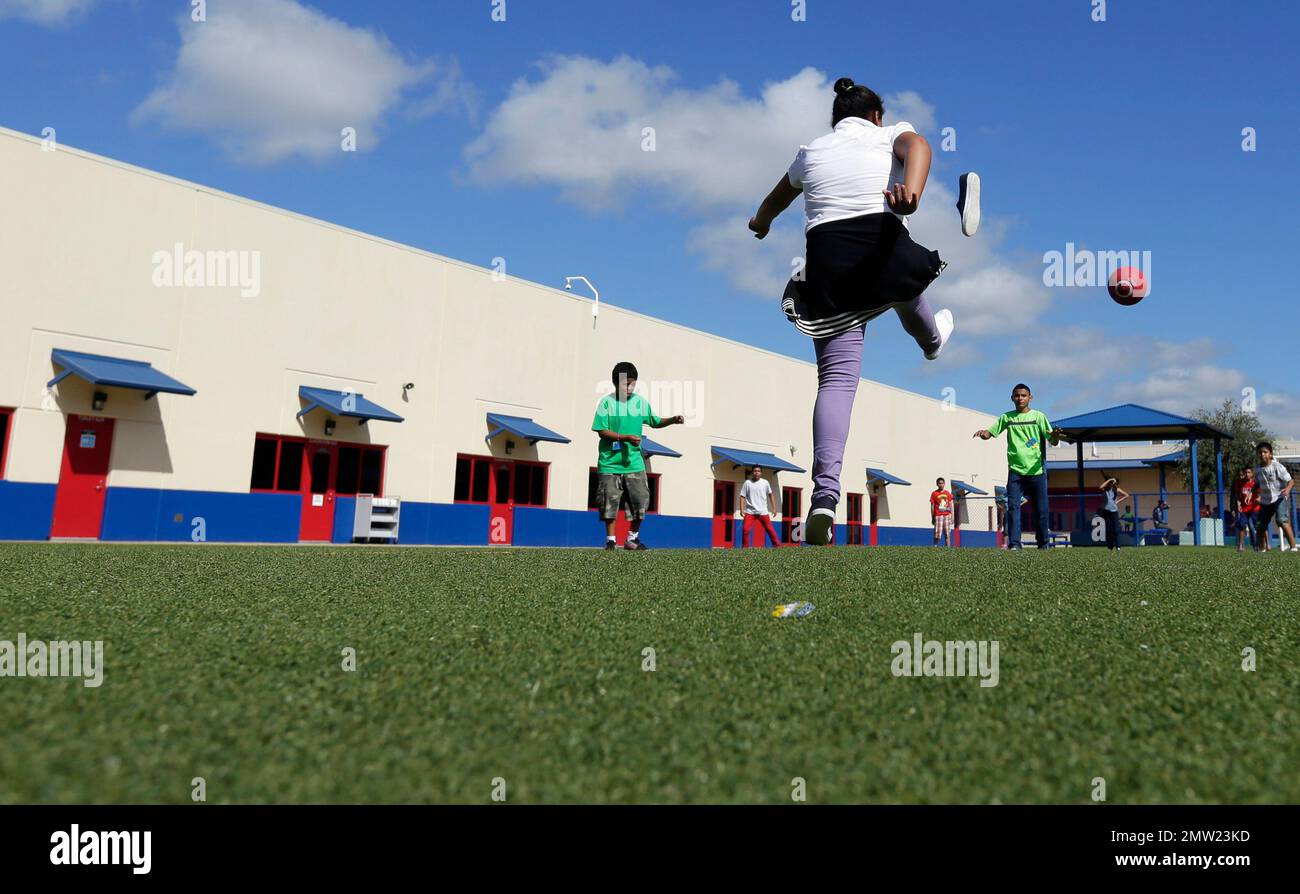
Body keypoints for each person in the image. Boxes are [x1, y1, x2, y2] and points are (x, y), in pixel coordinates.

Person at [747, 77, 978, 546]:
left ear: (836, 120)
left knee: (835, 382)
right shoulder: (888, 133)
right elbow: (920, 146)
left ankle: (824, 499)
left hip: (828, 261)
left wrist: (761, 222)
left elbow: (774, 200)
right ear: (877, 115)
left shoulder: (811, 151)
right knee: (901, 285)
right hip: (880, 244)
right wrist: (911, 191)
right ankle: (933, 341)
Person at [591, 361, 684, 550]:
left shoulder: (640, 402)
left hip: (634, 462)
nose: (630, 387)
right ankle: (611, 541)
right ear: (616, 382)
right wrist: (623, 437)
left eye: (633, 383)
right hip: (609, 463)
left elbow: (655, 421)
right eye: (626, 383)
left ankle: (631, 539)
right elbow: (601, 431)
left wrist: (672, 420)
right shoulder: (606, 403)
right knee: (609, 503)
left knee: (640, 500)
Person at [973, 384, 1068, 550]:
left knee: (1042, 511)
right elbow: (991, 433)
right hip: (1015, 471)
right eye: (1017, 395)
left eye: (1023, 395)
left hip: (1036, 471)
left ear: (1030, 398)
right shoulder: (1007, 418)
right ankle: (1015, 544)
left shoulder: (1038, 417)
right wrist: (984, 433)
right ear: (1012, 398)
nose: (1020, 398)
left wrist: (1054, 435)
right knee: (1013, 509)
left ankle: (1043, 544)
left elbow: (1052, 440)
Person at [1253, 442, 1295, 553]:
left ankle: (1293, 547)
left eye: (1265, 452)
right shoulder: (1257, 469)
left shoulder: (1277, 466)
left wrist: (1287, 489)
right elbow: (1256, 484)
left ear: (1270, 454)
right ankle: (1261, 550)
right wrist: (1254, 495)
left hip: (1279, 498)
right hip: (1265, 501)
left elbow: (1291, 481)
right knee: (1260, 526)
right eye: (1260, 452)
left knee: (1282, 520)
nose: (1262, 454)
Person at [738, 465, 782, 548]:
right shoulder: (747, 483)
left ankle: (777, 545)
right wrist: (741, 509)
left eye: (758, 471)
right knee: (745, 529)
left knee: (770, 529)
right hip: (750, 512)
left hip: (763, 511)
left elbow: (771, 495)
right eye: (755, 471)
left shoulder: (765, 483)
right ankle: (745, 548)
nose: (756, 473)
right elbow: (742, 496)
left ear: (761, 473)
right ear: (752, 472)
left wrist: (774, 508)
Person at [1099, 476, 1130, 551]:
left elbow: (1127, 495)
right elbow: (1100, 487)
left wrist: (1118, 501)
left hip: (1114, 511)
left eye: (1114, 482)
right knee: (1108, 530)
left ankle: (1118, 546)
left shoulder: (1117, 489)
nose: (1113, 483)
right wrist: (1109, 480)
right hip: (1106, 511)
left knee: (1116, 529)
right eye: (1112, 482)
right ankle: (1110, 547)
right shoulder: (1106, 489)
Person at [1233, 467, 1259, 553]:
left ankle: (1258, 545)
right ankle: (1240, 546)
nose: (1247, 474)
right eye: (1245, 472)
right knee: (1241, 525)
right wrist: (1238, 504)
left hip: (1254, 508)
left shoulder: (1255, 484)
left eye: (1249, 472)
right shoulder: (1240, 483)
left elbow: (1259, 494)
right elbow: (1238, 496)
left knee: (1255, 527)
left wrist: (1256, 499)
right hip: (1244, 508)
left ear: (1252, 474)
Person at [930, 477, 955, 547]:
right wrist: (932, 517)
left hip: (947, 515)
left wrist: (952, 517)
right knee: (937, 533)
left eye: (942, 483)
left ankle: (948, 547)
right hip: (938, 515)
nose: (941, 485)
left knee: (947, 533)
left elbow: (951, 505)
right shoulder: (934, 493)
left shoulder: (947, 493)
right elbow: (932, 506)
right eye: (939, 483)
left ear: (944, 484)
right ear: (937, 484)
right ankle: (935, 546)